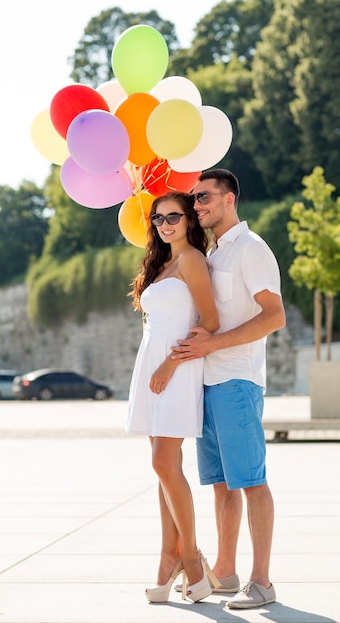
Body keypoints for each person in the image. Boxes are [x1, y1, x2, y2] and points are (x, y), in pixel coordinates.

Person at [171, 169, 286, 609]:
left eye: (204, 197)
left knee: (251, 481)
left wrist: (213, 344)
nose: (197, 205)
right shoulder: (213, 252)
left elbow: (274, 317)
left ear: (229, 199)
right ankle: (225, 570)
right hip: (207, 383)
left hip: (237, 380)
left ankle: (262, 582)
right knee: (221, 485)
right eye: (194, 198)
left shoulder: (251, 249)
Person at [126, 191, 220, 604]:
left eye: (174, 217)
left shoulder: (192, 260)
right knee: (164, 470)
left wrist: (169, 364)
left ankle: (193, 561)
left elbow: (210, 322)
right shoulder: (161, 262)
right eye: (159, 218)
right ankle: (169, 558)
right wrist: (154, 365)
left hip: (176, 370)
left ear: (189, 220)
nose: (165, 224)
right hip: (150, 365)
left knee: (163, 462)